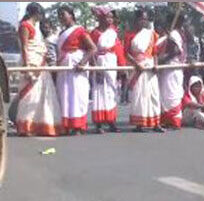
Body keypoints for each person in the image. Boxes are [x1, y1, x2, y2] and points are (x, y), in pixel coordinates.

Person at [15, 3, 62, 137]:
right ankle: (26, 126)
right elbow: (24, 47)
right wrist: (28, 68)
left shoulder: (35, 27)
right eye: (40, 14)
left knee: (42, 95)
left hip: (40, 63)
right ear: (35, 13)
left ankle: (41, 125)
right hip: (31, 63)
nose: (41, 17)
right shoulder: (25, 26)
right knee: (29, 97)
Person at [56, 5, 97, 136]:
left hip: (76, 68)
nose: (61, 18)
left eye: (63, 14)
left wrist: (82, 62)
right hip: (63, 67)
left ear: (71, 15)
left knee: (77, 95)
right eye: (59, 15)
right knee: (65, 95)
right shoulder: (61, 34)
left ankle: (78, 125)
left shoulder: (80, 30)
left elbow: (92, 48)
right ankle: (66, 124)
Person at [124, 9, 165, 133]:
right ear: (136, 20)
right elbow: (126, 53)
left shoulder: (152, 34)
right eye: (141, 19)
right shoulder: (129, 35)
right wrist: (136, 64)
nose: (144, 21)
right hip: (138, 68)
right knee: (139, 96)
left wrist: (156, 65)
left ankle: (156, 123)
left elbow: (155, 53)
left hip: (150, 66)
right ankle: (139, 124)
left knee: (153, 95)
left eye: (146, 19)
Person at [89, 5, 126, 134]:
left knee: (111, 91)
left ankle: (111, 121)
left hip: (111, 61)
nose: (110, 20)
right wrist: (95, 68)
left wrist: (122, 67)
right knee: (99, 91)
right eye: (108, 17)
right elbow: (91, 51)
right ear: (101, 18)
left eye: (111, 17)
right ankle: (99, 123)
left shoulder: (113, 33)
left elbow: (119, 50)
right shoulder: (94, 33)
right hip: (99, 62)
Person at [157, 12, 186, 130]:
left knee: (170, 95)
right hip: (173, 69)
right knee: (168, 94)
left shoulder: (174, 34)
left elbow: (175, 51)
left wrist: (162, 60)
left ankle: (173, 120)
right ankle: (168, 120)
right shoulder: (176, 34)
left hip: (171, 68)